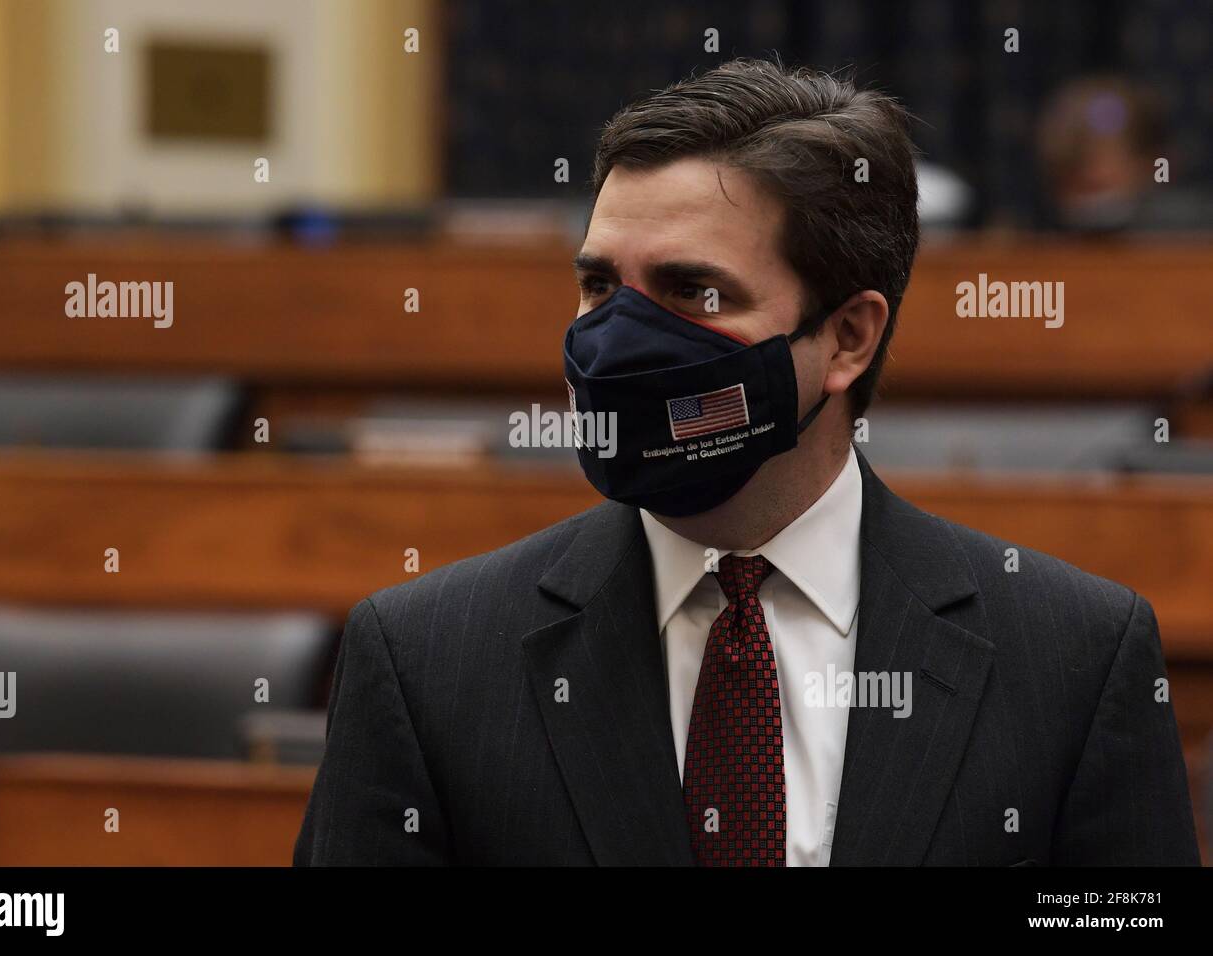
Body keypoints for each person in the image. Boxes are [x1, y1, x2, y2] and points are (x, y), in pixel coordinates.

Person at [294, 59, 1199, 866]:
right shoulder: (425, 661)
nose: (616, 343)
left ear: (848, 338)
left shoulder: (1075, 658)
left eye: (694, 291)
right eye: (601, 285)